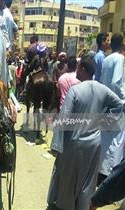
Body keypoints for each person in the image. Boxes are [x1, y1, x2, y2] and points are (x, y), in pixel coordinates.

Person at [47, 55, 124, 210]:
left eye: (78, 67)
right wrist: (104, 121)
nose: (76, 70)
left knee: (68, 177)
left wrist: (56, 144)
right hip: (94, 144)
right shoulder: (103, 90)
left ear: (83, 69)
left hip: (73, 142)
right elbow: (120, 104)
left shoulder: (75, 90)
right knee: (88, 180)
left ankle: (66, 206)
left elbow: (64, 117)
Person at [99, 34, 125, 184]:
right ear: (121, 44)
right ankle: (109, 173)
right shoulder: (120, 59)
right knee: (116, 140)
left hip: (106, 102)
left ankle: (102, 169)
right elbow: (116, 82)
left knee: (106, 138)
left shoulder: (107, 58)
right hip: (117, 104)